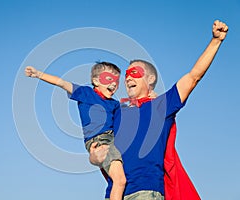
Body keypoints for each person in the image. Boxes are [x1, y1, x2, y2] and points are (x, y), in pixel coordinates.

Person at [89, 20, 228, 200]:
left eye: (135, 73)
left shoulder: (161, 106)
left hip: (145, 192)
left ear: (151, 78)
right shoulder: (115, 111)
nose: (128, 78)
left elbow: (193, 77)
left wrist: (215, 41)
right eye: (126, 75)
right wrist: (94, 157)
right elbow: (99, 149)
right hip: (114, 193)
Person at [25, 62, 126, 200]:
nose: (114, 84)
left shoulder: (114, 103)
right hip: (100, 140)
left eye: (116, 81)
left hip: (113, 139)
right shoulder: (86, 93)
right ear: (96, 81)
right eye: (109, 79)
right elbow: (61, 83)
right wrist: (38, 74)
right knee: (120, 181)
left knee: (114, 181)